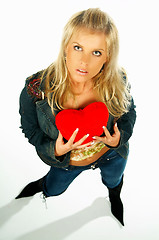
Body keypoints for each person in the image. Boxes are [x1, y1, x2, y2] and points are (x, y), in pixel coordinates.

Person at [15, 8, 136, 226]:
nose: (84, 61)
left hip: (112, 155)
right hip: (67, 163)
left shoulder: (119, 80)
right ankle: (41, 186)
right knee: (53, 189)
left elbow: (129, 113)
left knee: (114, 180)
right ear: (65, 47)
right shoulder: (36, 89)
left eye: (97, 52)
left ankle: (114, 197)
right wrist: (55, 150)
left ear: (108, 56)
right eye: (78, 47)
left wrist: (118, 140)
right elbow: (30, 130)